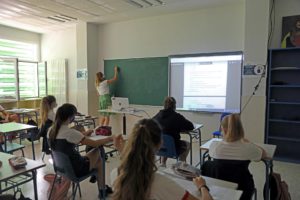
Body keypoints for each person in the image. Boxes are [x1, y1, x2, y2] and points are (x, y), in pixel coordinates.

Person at [112, 119, 213, 200]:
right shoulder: (160, 183)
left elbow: (130, 166)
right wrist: (202, 186)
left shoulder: (115, 175)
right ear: (160, 144)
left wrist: (123, 151)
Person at [48, 103, 118, 198]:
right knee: (98, 152)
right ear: (70, 118)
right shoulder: (70, 133)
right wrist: (110, 138)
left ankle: (101, 184)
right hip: (76, 170)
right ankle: (102, 189)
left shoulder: (51, 130)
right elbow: (95, 144)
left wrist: (84, 134)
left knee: (98, 161)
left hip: (61, 168)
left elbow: (73, 137)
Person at [208, 113, 267, 200]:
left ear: (223, 130)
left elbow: (210, 155)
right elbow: (263, 154)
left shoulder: (215, 146)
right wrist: (249, 142)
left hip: (220, 190)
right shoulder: (248, 147)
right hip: (243, 190)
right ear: (240, 129)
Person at [153, 97, 194, 166]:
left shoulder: (157, 116)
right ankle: (180, 164)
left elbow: (150, 125)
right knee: (187, 144)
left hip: (158, 147)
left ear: (164, 105)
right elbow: (190, 126)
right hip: (174, 148)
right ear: (174, 106)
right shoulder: (177, 117)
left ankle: (163, 163)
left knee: (165, 140)